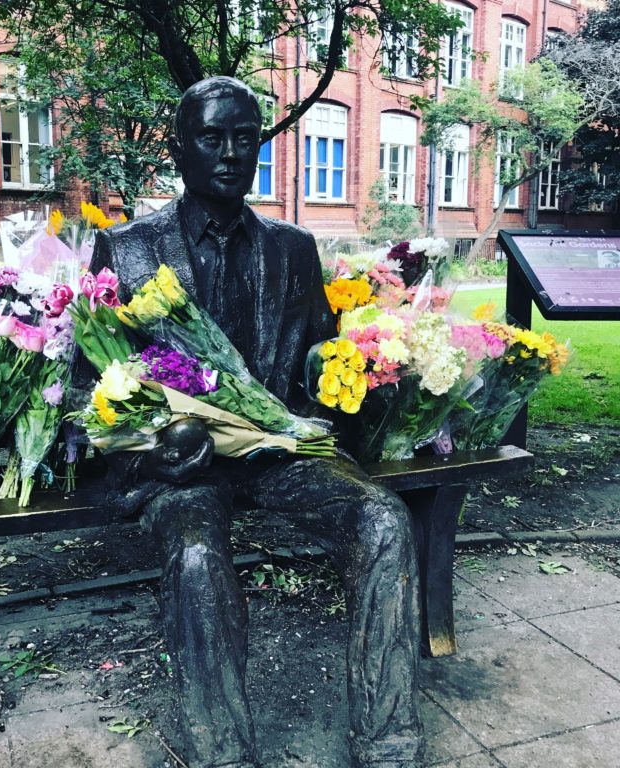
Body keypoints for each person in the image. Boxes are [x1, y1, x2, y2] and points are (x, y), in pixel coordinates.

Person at [91, 76, 423, 768]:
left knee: (384, 519)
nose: (231, 152)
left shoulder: (294, 248)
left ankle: (389, 745)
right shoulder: (126, 251)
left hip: (281, 453)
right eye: (212, 137)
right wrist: (149, 450)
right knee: (195, 554)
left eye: (246, 138)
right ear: (179, 150)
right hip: (185, 465)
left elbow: (320, 365)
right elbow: (87, 388)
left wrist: (363, 372)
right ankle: (223, 756)